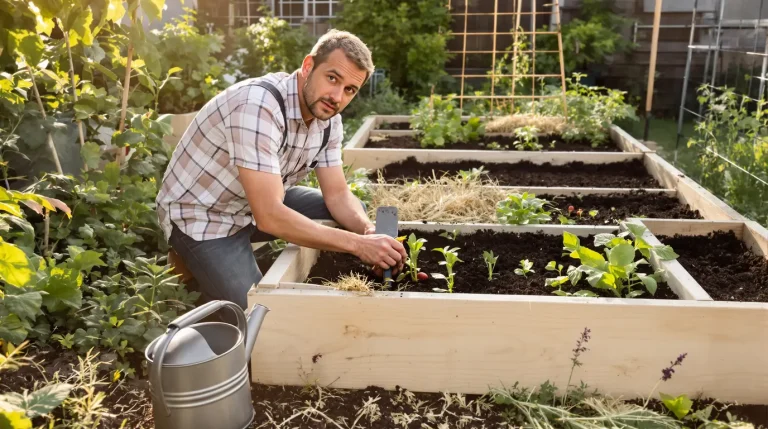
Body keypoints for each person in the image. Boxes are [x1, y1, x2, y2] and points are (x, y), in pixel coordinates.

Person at [156, 29, 406, 310]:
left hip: (253, 205)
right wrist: (357, 246)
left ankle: (236, 263)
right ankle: (191, 265)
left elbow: (337, 195)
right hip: (205, 216)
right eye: (332, 78)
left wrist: (367, 233)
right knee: (259, 314)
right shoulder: (258, 105)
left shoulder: (328, 120)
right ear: (308, 66)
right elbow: (270, 216)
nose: (337, 96)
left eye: (349, 89)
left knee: (351, 213)